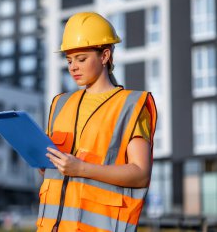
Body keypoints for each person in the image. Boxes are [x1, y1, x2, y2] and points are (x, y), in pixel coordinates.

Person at [36, 12, 157, 232]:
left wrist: (80, 168)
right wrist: (47, 166)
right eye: (69, 60)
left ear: (105, 56)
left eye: (81, 59)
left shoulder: (129, 106)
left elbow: (141, 174)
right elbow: (53, 169)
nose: (73, 67)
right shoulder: (60, 104)